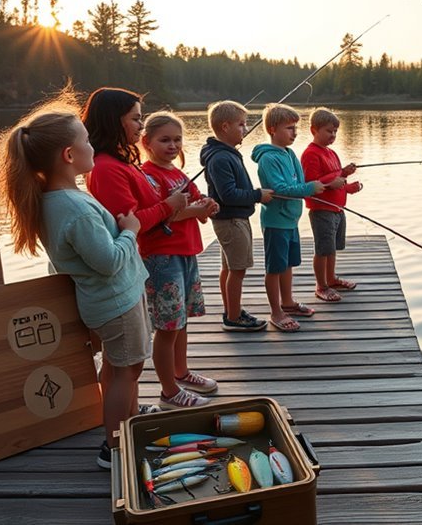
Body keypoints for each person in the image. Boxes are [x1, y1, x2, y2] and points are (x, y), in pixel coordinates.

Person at [0, 92, 151, 470]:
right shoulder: (74, 209)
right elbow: (107, 262)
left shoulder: (56, 199)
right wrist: (130, 231)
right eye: (86, 141)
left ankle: (129, 422)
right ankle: (115, 448)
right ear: (69, 156)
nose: (93, 144)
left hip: (114, 299)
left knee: (123, 367)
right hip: (115, 301)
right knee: (124, 371)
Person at [81, 87, 214, 411]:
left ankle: (142, 399)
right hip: (152, 260)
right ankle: (165, 393)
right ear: (115, 121)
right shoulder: (107, 168)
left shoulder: (123, 163)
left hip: (165, 258)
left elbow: (150, 209)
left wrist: (184, 206)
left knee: (174, 325)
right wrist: (171, 206)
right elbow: (131, 222)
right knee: (157, 334)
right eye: (136, 118)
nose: (141, 124)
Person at [139, 110, 222, 410]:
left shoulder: (179, 174)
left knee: (181, 321)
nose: (172, 145)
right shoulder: (146, 175)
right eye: (164, 140)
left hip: (187, 253)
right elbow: (162, 214)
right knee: (168, 325)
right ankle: (169, 391)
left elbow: (195, 205)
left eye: (177, 139)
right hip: (162, 257)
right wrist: (193, 209)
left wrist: (208, 205)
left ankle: (181, 371)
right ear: (146, 142)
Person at [200, 100, 274, 332]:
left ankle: (231, 310)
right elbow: (229, 195)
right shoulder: (221, 157)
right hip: (232, 220)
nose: (245, 129)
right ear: (225, 127)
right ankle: (233, 317)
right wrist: (257, 195)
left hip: (230, 219)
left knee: (229, 268)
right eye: (241, 125)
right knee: (238, 270)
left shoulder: (223, 153)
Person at [250, 103, 324, 332]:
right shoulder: (268, 158)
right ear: (272, 129)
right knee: (274, 268)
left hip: (291, 220)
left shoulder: (290, 153)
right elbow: (280, 188)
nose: (294, 132)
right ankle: (276, 312)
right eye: (289, 128)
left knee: (287, 264)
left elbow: (297, 183)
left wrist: (309, 187)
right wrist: (310, 189)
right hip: (275, 222)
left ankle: (288, 302)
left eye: (295, 128)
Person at [300, 108, 362, 302]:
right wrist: (337, 177)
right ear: (314, 130)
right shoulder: (310, 154)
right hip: (321, 211)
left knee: (332, 248)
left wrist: (349, 186)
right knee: (323, 249)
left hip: (337, 210)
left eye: (335, 131)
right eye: (328, 131)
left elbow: (337, 181)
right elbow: (311, 183)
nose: (333, 135)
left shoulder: (332, 153)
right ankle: (321, 286)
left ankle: (331, 279)